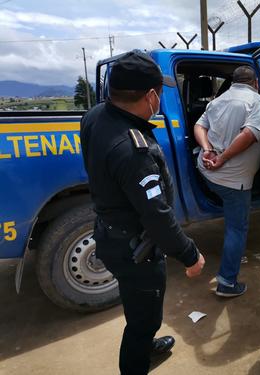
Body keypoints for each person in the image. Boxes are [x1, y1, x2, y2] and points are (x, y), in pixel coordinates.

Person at [80, 51, 206, 375]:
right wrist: (190, 255)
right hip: (136, 249)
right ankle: (138, 358)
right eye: (160, 92)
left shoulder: (95, 116)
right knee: (143, 319)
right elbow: (156, 215)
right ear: (151, 96)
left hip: (110, 234)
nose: (161, 97)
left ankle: (147, 344)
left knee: (135, 303)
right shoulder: (133, 149)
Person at [194, 66, 260, 297]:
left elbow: (199, 126)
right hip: (233, 180)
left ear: (232, 82)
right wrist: (222, 158)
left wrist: (207, 150)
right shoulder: (258, 103)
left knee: (232, 220)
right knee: (236, 228)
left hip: (206, 172)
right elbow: (248, 135)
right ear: (255, 83)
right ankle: (227, 282)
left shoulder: (216, 101)